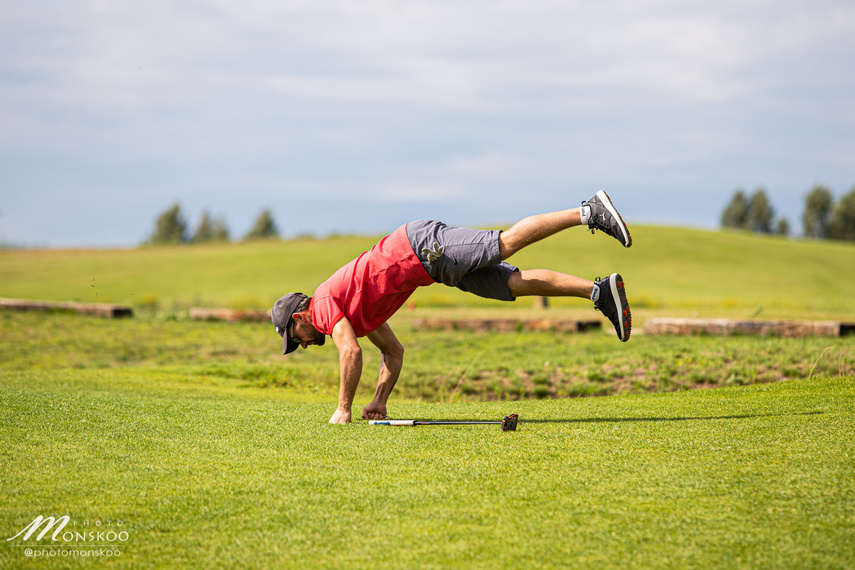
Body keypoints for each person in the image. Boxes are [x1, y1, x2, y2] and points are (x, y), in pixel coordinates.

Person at [272, 190, 633, 424]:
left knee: (504, 244)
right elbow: (393, 352)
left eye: (295, 336)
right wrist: (379, 400)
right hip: (431, 267)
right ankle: (599, 293)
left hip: (420, 247)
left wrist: (343, 409)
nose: (301, 344)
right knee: (512, 285)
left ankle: (588, 212)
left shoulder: (321, 309)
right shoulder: (352, 315)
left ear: (300, 316)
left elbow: (350, 353)